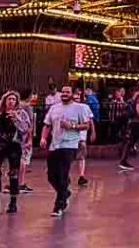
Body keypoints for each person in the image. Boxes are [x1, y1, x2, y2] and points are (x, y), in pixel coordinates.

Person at [40, 85, 92, 217]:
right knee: (51, 175)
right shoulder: (54, 108)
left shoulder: (79, 108)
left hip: (70, 145)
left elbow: (86, 125)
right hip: (54, 145)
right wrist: (43, 138)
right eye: (63, 92)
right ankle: (64, 192)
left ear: (72, 94)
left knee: (63, 174)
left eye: (67, 92)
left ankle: (59, 205)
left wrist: (72, 126)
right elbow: (47, 125)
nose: (64, 94)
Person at [0, 90, 29, 215]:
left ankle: (13, 202)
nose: (11, 101)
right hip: (0, 145)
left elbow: (25, 130)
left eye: (13, 99)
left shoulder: (21, 114)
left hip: (14, 145)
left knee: (13, 174)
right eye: (9, 99)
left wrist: (16, 119)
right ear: (4, 101)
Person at [75, 89, 96, 187]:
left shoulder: (85, 107)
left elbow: (91, 120)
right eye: (75, 98)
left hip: (81, 136)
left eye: (78, 97)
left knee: (81, 156)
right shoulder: (69, 108)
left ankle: (81, 176)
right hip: (70, 137)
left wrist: (93, 132)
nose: (77, 99)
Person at [17, 87, 36, 193]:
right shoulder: (27, 107)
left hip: (17, 135)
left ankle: (16, 182)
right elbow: (29, 124)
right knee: (23, 159)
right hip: (24, 136)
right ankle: (21, 183)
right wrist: (30, 139)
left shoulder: (17, 105)